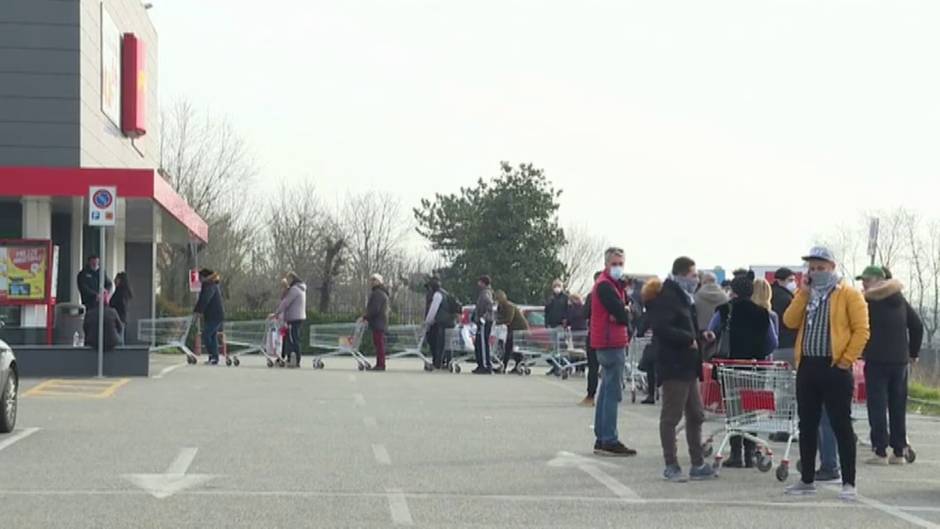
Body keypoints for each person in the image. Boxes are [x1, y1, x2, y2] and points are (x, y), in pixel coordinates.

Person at [783, 247, 869, 501]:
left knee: (841, 424)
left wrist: (846, 360)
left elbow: (861, 330)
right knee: (807, 424)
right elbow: (789, 320)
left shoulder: (849, 295)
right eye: (813, 268)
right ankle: (807, 478)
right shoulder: (807, 295)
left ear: (832, 267)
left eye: (821, 268)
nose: (816, 272)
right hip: (808, 365)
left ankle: (849, 481)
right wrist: (803, 293)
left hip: (835, 367)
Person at [649, 256, 715, 482]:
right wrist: (688, 338)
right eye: (693, 275)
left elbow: (685, 326)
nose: (696, 280)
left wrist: (700, 335)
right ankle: (671, 464)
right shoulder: (667, 297)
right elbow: (662, 328)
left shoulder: (686, 299)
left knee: (696, 414)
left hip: (689, 365)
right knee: (671, 416)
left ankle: (697, 463)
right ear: (681, 275)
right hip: (674, 365)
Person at [705, 273, 778, 468]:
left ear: (733, 291)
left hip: (730, 366)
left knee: (734, 409)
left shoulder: (724, 310)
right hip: (755, 367)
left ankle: (735, 453)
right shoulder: (763, 313)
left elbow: (711, 332)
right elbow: (772, 342)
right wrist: (758, 353)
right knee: (751, 408)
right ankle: (751, 453)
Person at [858, 266, 923, 465]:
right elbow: (917, 325)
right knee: (898, 405)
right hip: (900, 361)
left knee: (877, 406)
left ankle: (880, 451)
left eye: (866, 280)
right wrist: (913, 353)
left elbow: (859, 326)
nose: (863, 284)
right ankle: (899, 450)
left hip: (877, 360)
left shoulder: (867, 301)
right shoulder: (899, 299)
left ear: (878, 280)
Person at [590, 248, 636, 457]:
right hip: (611, 342)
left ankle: (602, 437)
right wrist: (624, 313)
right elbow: (620, 312)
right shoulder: (607, 286)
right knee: (612, 393)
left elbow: (620, 312)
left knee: (606, 390)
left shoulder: (608, 284)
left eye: (621, 263)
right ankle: (609, 438)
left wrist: (622, 312)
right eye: (615, 263)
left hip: (607, 340)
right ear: (607, 264)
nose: (619, 267)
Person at [272, 272, 307, 368]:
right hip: (299, 316)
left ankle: (294, 360)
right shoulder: (300, 288)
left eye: (289, 279)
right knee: (294, 338)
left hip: (294, 317)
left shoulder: (294, 289)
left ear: (293, 278)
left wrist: (276, 313)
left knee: (292, 339)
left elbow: (285, 303)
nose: (288, 281)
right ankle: (293, 359)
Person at [580, 271, 603, 407]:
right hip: (611, 336)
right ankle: (609, 397)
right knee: (610, 369)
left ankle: (590, 396)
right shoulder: (616, 292)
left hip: (595, 334)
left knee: (593, 366)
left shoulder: (592, 295)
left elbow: (585, 314)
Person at [193, 268, 225, 365]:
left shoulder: (209, 285)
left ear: (204, 277)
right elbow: (204, 299)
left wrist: (198, 311)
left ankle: (213, 356)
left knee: (206, 335)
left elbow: (205, 299)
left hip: (214, 315)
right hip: (215, 315)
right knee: (212, 335)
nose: (199, 280)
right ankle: (214, 357)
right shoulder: (211, 284)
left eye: (200, 277)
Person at [694, 271, 729, 360]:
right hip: (721, 341)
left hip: (701, 340)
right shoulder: (725, 297)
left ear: (703, 282)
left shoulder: (696, 297)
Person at [495, 289, 529, 374]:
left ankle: (516, 365)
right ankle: (505, 366)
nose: (497, 301)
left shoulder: (509, 306)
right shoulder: (500, 307)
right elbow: (499, 316)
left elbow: (509, 319)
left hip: (519, 328)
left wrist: (497, 322)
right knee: (508, 347)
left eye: (498, 299)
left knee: (511, 347)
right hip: (511, 329)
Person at [424, 276, 454, 370]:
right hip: (449, 321)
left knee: (439, 344)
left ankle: (438, 363)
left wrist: (427, 322)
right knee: (448, 344)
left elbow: (433, 310)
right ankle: (448, 362)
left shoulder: (437, 295)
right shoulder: (445, 293)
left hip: (441, 322)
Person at [362, 274, 390, 372]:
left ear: (379, 282)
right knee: (379, 344)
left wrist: (365, 317)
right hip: (380, 322)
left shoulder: (378, 293)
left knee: (379, 344)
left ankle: (381, 365)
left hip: (378, 322)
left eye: (375, 280)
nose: (372, 282)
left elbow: (374, 309)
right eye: (371, 280)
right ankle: (380, 364)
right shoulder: (381, 293)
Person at [771, 268, 798, 366]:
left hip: (775, 343)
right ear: (779, 280)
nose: (793, 283)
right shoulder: (786, 298)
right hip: (787, 343)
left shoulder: (771, 294)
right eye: (790, 280)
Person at [473, 275, 496, 374]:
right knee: (479, 343)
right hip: (483, 322)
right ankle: (481, 364)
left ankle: (485, 365)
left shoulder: (485, 293)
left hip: (485, 323)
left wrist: (483, 318)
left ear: (483, 283)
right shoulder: (485, 292)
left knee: (482, 343)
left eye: (480, 282)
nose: (478, 284)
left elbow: (490, 305)